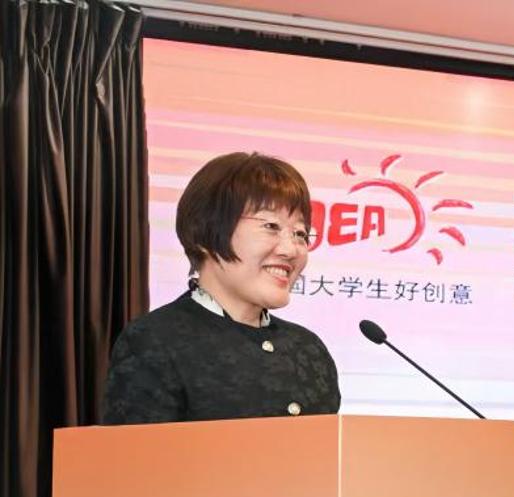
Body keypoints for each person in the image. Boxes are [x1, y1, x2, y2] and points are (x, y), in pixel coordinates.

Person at [102, 152, 341, 424]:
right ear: (206, 233)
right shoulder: (154, 340)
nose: (291, 249)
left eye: (300, 233)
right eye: (271, 226)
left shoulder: (308, 349)